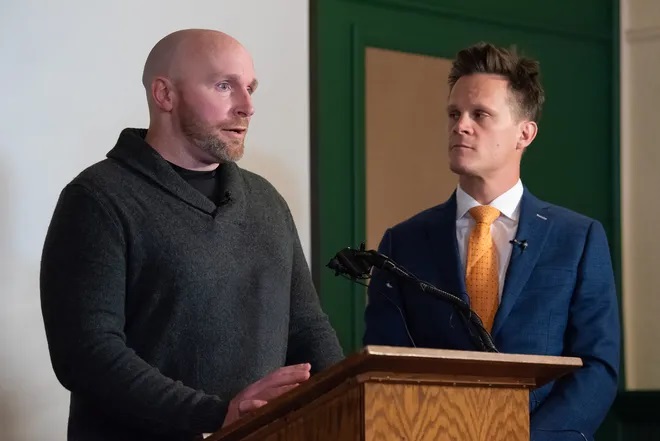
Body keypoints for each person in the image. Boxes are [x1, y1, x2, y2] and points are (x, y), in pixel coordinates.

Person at [40, 28, 343, 441]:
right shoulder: (97, 199)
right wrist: (216, 415)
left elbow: (308, 330)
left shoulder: (267, 202)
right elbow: (87, 354)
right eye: (224, 86)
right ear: (164, 94)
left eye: (250, 88)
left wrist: (348, 406)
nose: (247, 106)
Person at [363, 42, 620, 441]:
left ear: (524, 133)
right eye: (454, 114)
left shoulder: (578, 238)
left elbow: (598, 367)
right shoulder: (402, 244)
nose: (460, 126)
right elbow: (386, 370)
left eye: (480, 114)